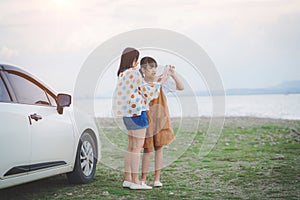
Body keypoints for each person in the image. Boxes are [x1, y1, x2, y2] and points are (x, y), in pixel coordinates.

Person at [112, 48, 168, 190]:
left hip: (127, 115)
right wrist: (162, 80)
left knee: (131, 148)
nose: (137, 63)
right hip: (138, 114)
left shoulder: (122, 74)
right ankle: (136, 181)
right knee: (137, 148)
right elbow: (147, 91)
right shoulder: (133, 73)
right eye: (136, 59)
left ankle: (128, 179)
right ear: (132, 60)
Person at [140, 56, 184, 187]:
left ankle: (157, 178)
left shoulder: (162, 82)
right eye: (150, 67)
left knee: (159, 148)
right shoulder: (141, 83)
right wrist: (162, 79)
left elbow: (181, 87)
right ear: (143, 70)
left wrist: (173, 74)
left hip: (161, 120)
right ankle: (143, 178)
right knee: (147, 149)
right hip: (147, 120)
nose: (153, 70)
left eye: (154, 67)